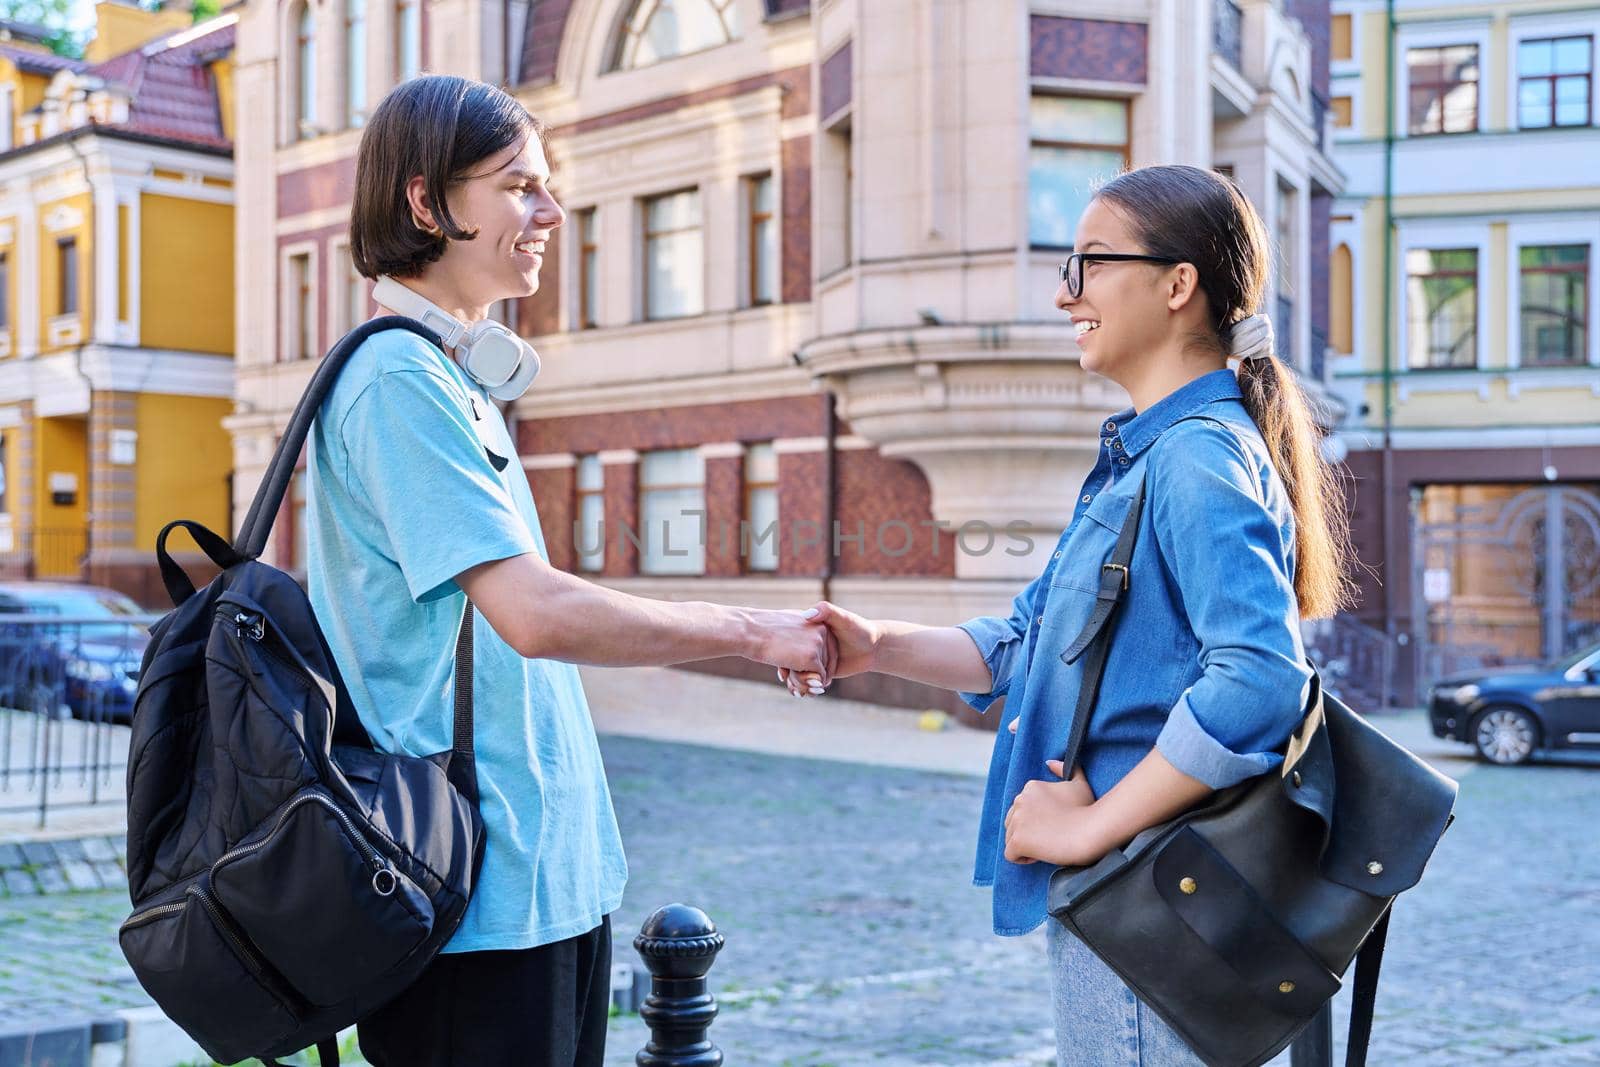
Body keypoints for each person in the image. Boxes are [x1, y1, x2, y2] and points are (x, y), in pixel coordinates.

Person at [307, 75, 835, 1067]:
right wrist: (752, 629)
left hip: (526, 886)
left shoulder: (449, 376)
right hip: (470, 900)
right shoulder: (397, 382)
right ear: (426, 203)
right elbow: (536, 615)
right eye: (517, 186)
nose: (550, 211)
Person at [781, 164, 1353, 1065]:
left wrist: (1091, 826)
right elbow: (1021, 643)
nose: (1063, 293)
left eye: (1087, 264)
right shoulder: (1150, 456)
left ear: (1177, 285)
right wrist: (875, 645)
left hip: (1152, 893)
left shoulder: (1194, 459)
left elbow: (1261, 678)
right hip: (1140, 890)